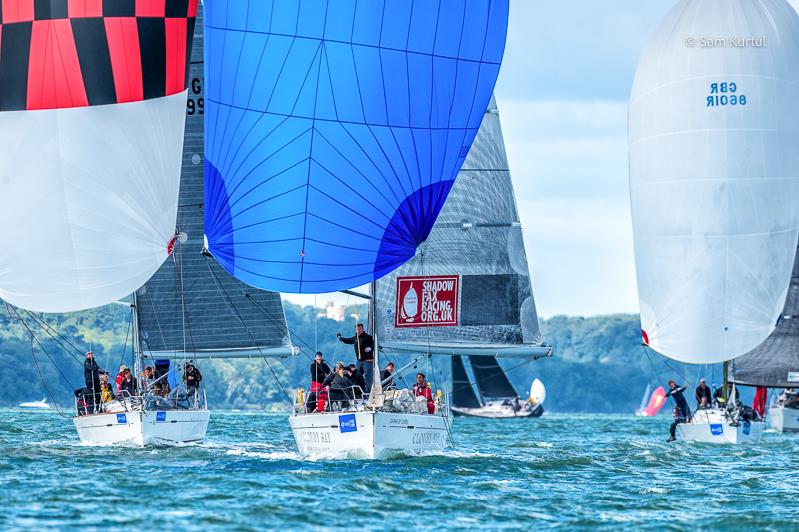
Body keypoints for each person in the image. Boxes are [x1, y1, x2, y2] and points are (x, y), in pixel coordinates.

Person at [337, 324, 375, 391]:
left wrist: (370, 348)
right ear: (356, 330)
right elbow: (348, 340)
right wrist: (340, 338)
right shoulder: (355, 338)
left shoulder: (368, 337)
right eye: (357, 329)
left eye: (360, 329)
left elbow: (373, 345)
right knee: (357, 376)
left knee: (368, 377)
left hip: (368, 361)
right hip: (359, 361)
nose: (359, 330)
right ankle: (359, 392)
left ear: (363, 329)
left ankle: (369, 393)